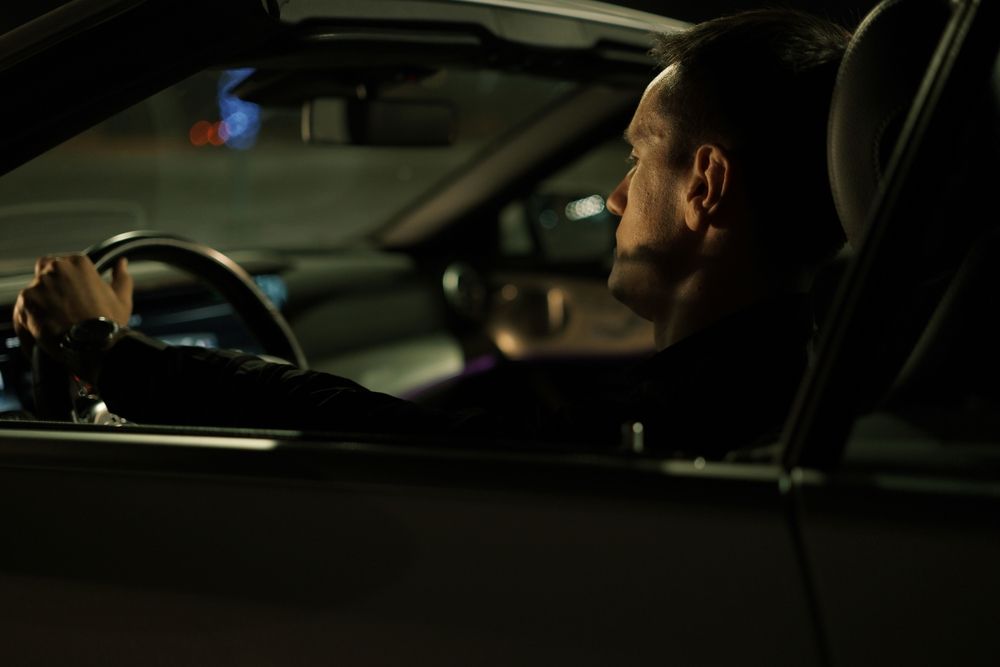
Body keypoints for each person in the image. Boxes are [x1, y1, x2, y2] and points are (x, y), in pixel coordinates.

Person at [12, 10, 851, 458]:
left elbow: (386, 439)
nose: (615, 195)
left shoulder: (677, 433)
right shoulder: (814, 384)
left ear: (705, 185)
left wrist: (104, 348)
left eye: (637, 157)